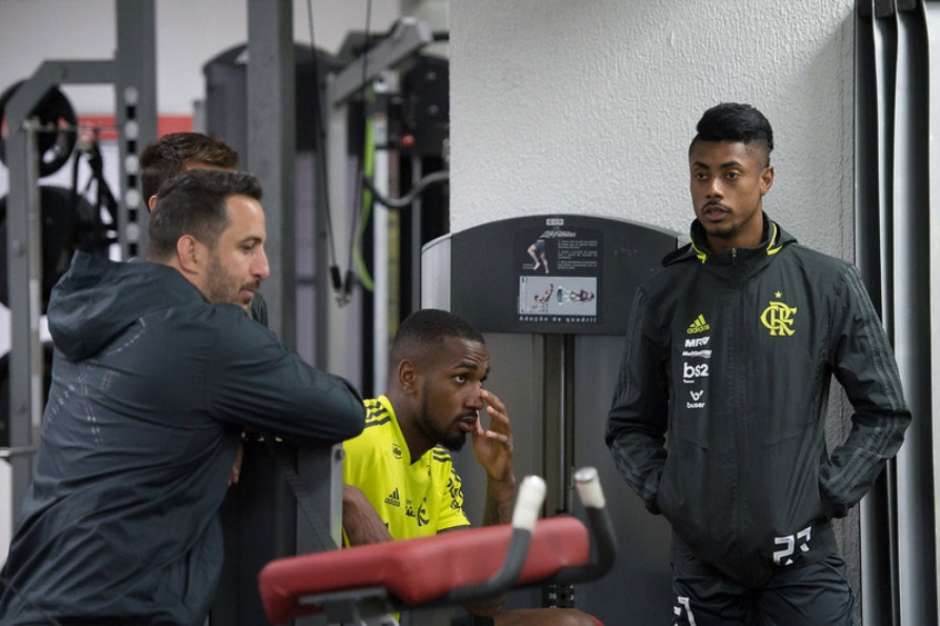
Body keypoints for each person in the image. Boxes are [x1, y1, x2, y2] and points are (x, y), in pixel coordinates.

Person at [0, 170, 365, 625]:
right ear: (191, 251)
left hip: (28, 602)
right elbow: (343, 411)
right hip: (116, 614)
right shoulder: (208, 335)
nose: (264, 267)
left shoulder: (99, 313)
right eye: (247, 247)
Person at [605, 102, 910, 626]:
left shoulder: (827, 283)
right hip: (702, 568)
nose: (713, 190)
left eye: (731, 174)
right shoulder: (664, 292)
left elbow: (885, 411)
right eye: (701, 175)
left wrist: (829, 492)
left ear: (765, 178)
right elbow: (629, 424)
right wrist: (669, 493)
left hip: (801, 562)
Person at [343, 309, 599, 626]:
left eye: (481, 381)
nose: (477, 399)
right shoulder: (356, 434)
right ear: (409, 377)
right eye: (462, 378)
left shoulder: (437, 462)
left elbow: (484, 598)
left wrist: (500, 484)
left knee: (572, 624)